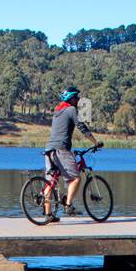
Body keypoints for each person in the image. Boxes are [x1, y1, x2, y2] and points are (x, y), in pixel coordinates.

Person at [43, 88, 101, 220]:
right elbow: (82, 127)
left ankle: (48, 215)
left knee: (51, 182)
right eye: (77, 98)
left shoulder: (57, 111)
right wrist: (95, 142)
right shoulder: (71, 110)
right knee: (76, 178)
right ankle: (68, 206)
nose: (78, 100)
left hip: (48, 150)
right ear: (71, 99)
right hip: (61, 149)